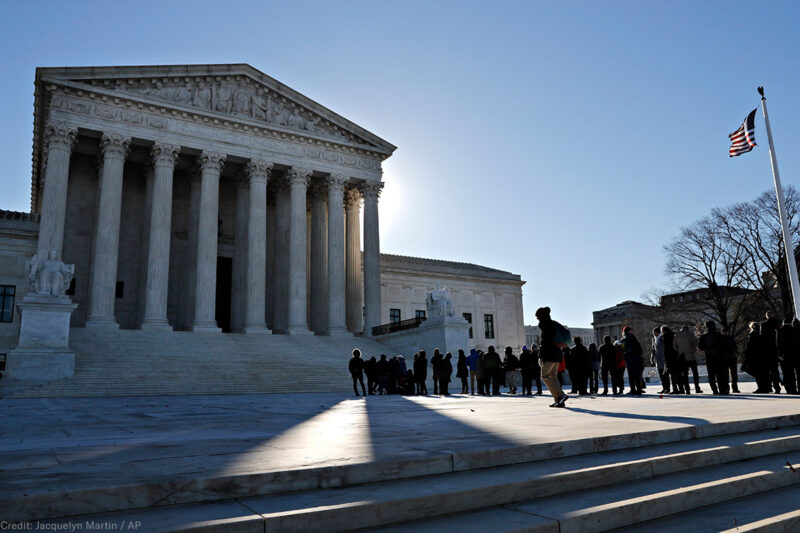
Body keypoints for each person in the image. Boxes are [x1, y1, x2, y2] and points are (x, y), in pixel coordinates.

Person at [536, 306, 568, 407]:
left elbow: (547, 342)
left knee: (544, 376)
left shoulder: (545, 325)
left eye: (538, 317)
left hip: (549, 355)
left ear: (541, 316)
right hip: (557, 355)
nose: (537, 319)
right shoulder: (553, 323)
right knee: (553, 377)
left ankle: (561, 395)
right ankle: (558, 400)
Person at [699, 321, 729, 395]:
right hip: (720, 357)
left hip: (709, 357)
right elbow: (725, 346)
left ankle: (714, 390)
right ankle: (722, 389)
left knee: (711, 375)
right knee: (720, 374)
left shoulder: (704, 336)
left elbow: (700, 347)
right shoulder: (720, 335)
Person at [760, 311, 782, 393]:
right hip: (777, 350)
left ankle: (771, 387)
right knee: (775, 370)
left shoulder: (764, 325)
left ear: (767, 316)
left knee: (768, 370)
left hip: (768, 351)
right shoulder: (778, 323)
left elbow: (762, 338)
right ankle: (778, 387)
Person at [675, 325, 701, 393]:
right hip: (691, 356)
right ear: (688, 329)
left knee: (685, 374)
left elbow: (674, 346)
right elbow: (695, 343)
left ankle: (687, 389)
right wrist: (693, 350)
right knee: (695, 373)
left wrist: (679, 352)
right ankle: (697, 388)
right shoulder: (691, 334)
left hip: (682, 357)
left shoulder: (677, 335)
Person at [621, 326, 644, 395]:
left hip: (630, 360)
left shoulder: (623, 340)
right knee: (637, 375)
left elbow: (623, 351)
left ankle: (633, 390)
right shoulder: (634, 338)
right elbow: (640, 349)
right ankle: (639, 390)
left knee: (631, 376)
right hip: (637, 359)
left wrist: (626, 357)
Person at [777, 319, 797, 394]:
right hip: (793, 355)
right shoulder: (794, 330)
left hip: (784, 355)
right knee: (793, 373)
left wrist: (780, 354)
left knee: (786, 373)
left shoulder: (781, 331)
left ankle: (789, 388)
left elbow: (778, 343)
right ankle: (794, 388)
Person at [743, 322, 765, 391]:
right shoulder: (761, 334)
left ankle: (761, 387)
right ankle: (764, 387)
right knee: (760, 372)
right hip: (761, 356)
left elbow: (749, 346)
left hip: (754, 356)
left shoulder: (752, 335)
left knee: (755, 372)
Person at [721, 327, 741, 393]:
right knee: (728, 375)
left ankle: (733, 388)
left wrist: (736, 352)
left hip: (729, 358)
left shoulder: (728, 339)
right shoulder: (730, 339)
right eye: (725, 331)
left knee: (733, 375)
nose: (726, 332)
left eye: (726, 331)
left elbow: (735, 347)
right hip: (727, 358)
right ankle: (731, 388)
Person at [653, 327, 670, 394]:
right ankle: (664, 388)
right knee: (661, 375)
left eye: (655, 332)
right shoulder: (655, 339)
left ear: (658, 332)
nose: (654, 334)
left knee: (665, 375)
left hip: (663, 360)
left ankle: (667, 388)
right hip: (658, 360)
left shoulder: (661, 338)